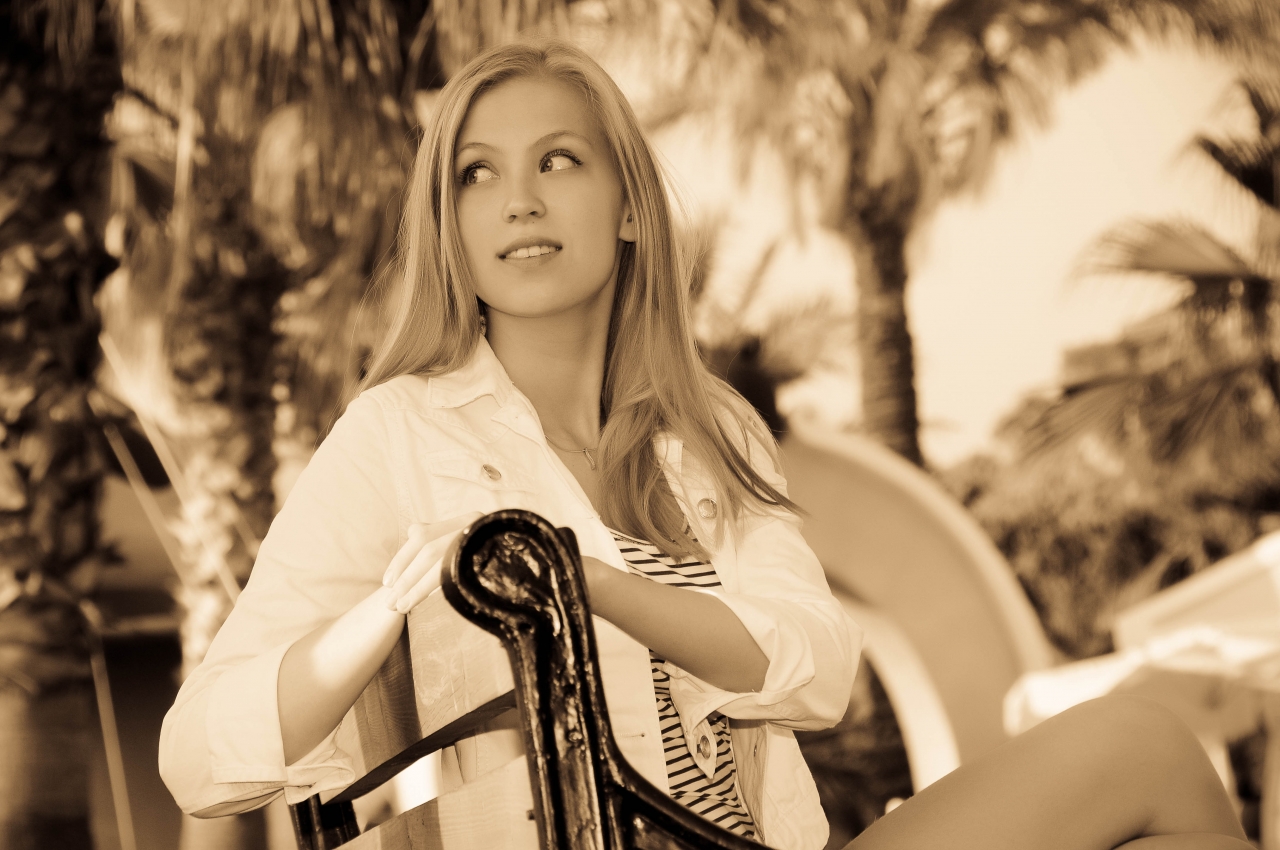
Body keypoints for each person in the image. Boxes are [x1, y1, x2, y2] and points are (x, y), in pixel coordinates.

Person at [159, 37, 1251, 850]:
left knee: (1147, 746)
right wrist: (381, 613)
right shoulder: (397, 434)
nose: (517, 200)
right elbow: (196, 757)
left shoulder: (711, 428)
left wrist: (590, 582)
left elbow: (818, 670)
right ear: (449, 227)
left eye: (557, 162)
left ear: (630, 208)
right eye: (474, 174)